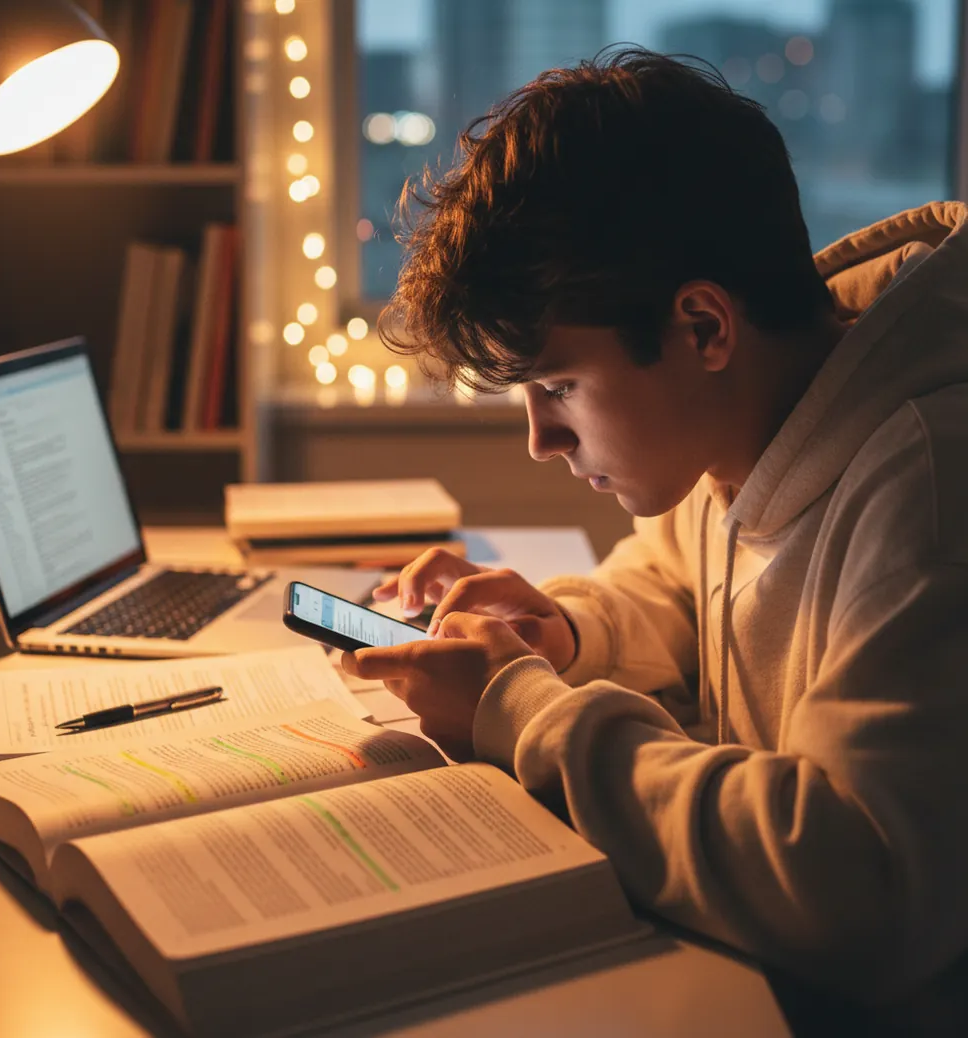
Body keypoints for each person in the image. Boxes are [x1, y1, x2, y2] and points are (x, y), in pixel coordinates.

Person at [340, 48, 968, 1028]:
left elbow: (863, 895)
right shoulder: (745, 427)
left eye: (555, 388)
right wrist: (559, 630)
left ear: (702, 328)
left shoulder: (928, 487)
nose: (542, 442)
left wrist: (520, 711)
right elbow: (671, 587)